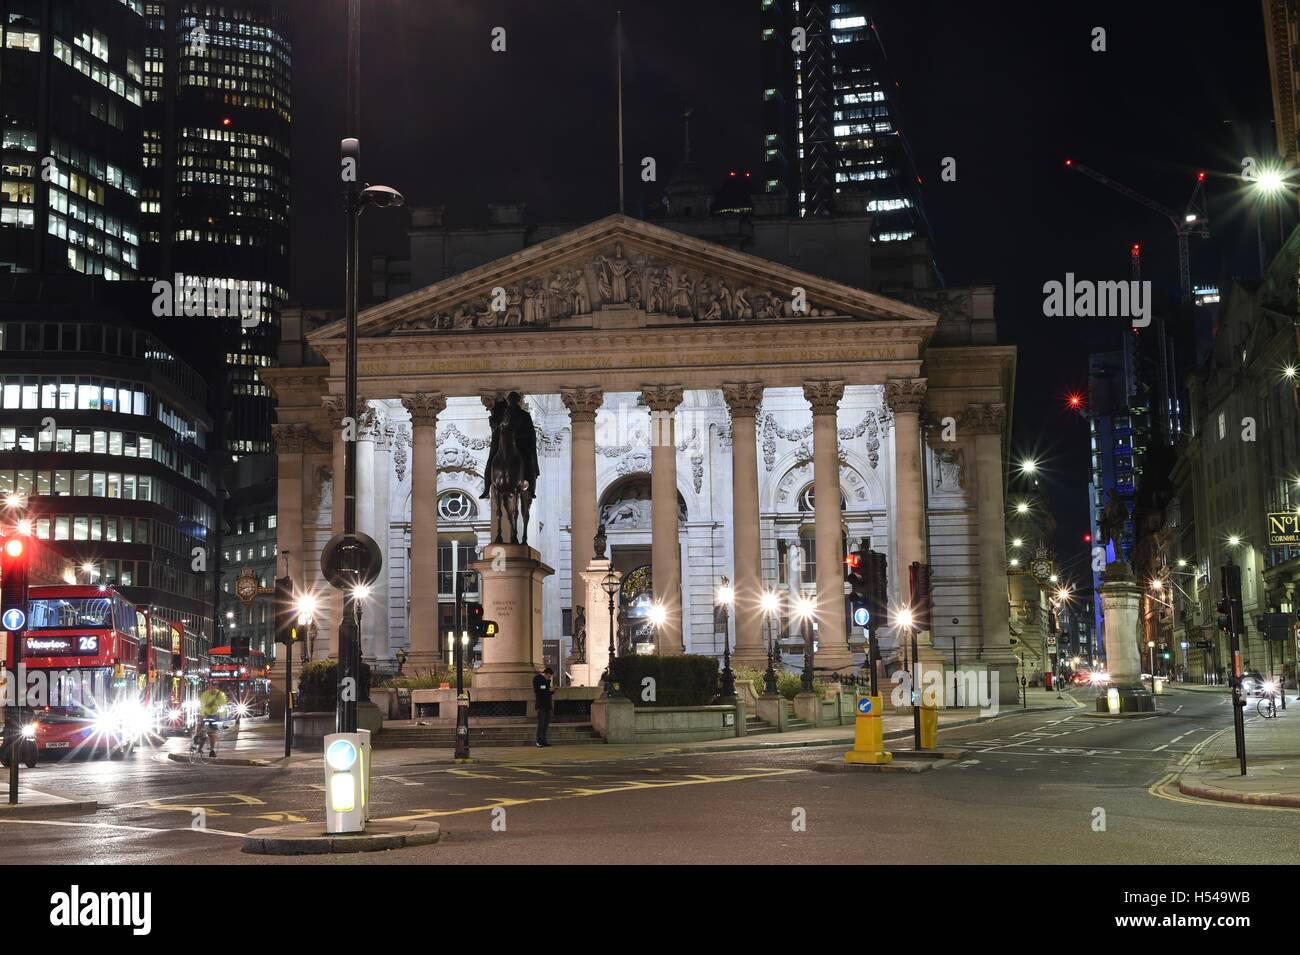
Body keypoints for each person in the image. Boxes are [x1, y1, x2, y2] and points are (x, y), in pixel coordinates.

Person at [197, 684, 228, 758]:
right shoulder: (205, 694)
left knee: (212, 733)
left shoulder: (221, 695)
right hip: (205, 714)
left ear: (216, 687)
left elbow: (222, 706)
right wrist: (201, 716)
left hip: (215, 716)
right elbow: (202, 705)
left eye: (213, 687)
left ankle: (212, 750)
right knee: (200, 730)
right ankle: (198, 744)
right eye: (210, 687)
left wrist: (221, 718)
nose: (211, 688)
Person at [533, 666, 554, 747]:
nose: (549, 678)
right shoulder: (538, 678)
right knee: (541, 723)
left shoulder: (547, 680)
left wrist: (551, 690)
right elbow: (539, 689)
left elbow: (546, 691)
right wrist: (548, 688)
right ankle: (539, 741)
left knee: (546, 723)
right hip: (541, 704)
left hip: (547, 704)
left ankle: (543, 740)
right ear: (545, 673)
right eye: (549, 676)